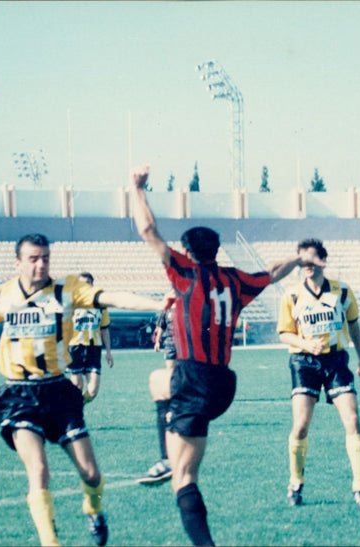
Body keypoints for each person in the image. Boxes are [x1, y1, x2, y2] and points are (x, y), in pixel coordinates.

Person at [130, 164, 322, 546]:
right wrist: (299, 261)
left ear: (188, 251)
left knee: (183, 479)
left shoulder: (185, 272)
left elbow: (148, 231)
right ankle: (170, 458)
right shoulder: (235, 279)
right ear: (216, 251)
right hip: (222, 384)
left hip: (193, 377)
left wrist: (137, 189)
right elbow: (271, 272)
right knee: (157, 382)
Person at [0, 233, 171, 547]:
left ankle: (94, 508)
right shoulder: (3, 294)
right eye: (33, 259)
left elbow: (114, 298)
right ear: (18, 263)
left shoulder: (67, 290)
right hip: (18, 395)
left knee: (91, 474)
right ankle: (51, 543)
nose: (40, 264)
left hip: (58, 393)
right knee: (38, 469)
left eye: (45, 258)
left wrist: (158, 304)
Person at [277, 238, 360, 509]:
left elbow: (353, 325)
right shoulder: (291, 295)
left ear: (322, 261)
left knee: (352, 419)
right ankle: (295, 483)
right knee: (301, 425)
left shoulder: (341, 292)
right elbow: (284, 334)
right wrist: (306, 344)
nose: (306, 265)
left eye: (311, 259)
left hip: (336, 361)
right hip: (304, 362)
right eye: (301, 260)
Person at [137, 306, 176, 485]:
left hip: (183, 342)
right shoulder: (166, 308)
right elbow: (160, 326)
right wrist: (157, 340)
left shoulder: (188, 301)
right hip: (169, 342)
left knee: (173, 376)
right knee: (167, 375)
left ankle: (168, 460)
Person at [67, 272, 114, 404]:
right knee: (77, 387)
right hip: (75, 347)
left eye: (87, 284)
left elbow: (104, 329)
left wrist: (109, 352)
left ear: (92, 285)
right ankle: (73, 412)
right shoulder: (71, 304)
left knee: (92, 391)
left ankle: (75, 407)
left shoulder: (100, 305)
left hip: (94, 349)